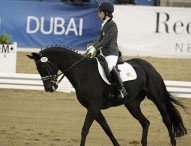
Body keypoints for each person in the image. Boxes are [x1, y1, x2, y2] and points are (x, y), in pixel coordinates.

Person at [87, 1, 127, 99]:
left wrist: (95, 48)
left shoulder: (112, 25)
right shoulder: (104, 25)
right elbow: (100, 40)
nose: (98, 14)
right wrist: (92, 46)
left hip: (111, 53)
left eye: (100, 12)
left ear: (106, 13)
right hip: (103, 53)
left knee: (110, 67)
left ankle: (122, 90)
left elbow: (106, 40)